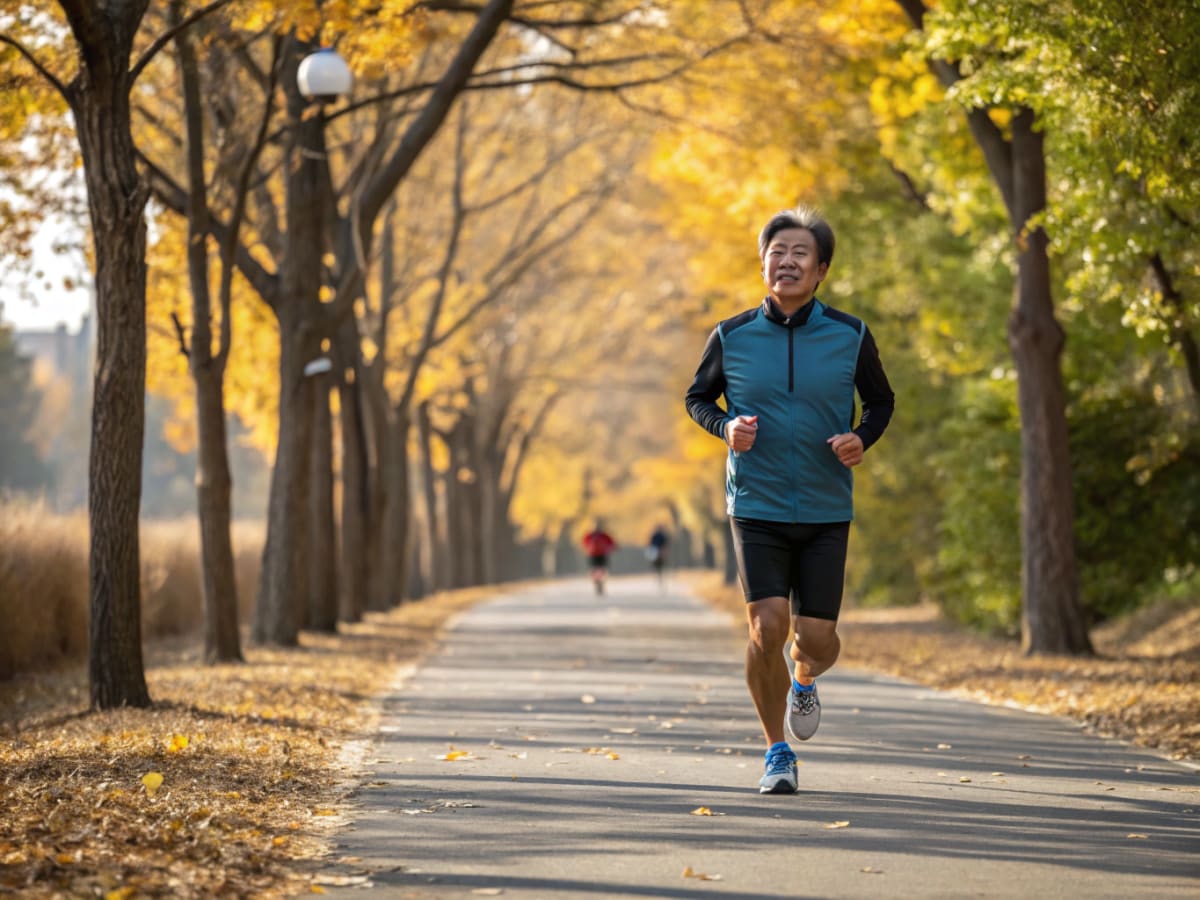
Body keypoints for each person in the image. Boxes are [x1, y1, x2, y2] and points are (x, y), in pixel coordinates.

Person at [684, 206, 894, 795]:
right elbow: (698, 398)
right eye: (777, 251)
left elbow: (880, 402)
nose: (788, 261)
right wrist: (725, 428)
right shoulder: (731, 335)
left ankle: (804, 677)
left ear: (821, 269)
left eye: (800, 252)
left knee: (817, 639)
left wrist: (862, 438)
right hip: (756, 502)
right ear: (763, 263)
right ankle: (776, 751)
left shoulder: (850, 334)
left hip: (828, 506)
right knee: (765, 626)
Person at [581, 521, 617, 595]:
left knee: (597, 569)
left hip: (595, 555)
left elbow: (584, 543)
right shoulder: (602, 535)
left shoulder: (591, 535)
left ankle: (598, 582)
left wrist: (587, 549)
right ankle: (599, 581)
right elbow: (612, 543)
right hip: (598, 555)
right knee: (600, 569)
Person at [646, 524, 670, 590]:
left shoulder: (658, 536)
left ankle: (658, 575)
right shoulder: (660, 536)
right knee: (658, 564)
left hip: (657, 550)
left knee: (657, 564)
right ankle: (659, 574)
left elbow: (651, 544)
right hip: (658, 550)